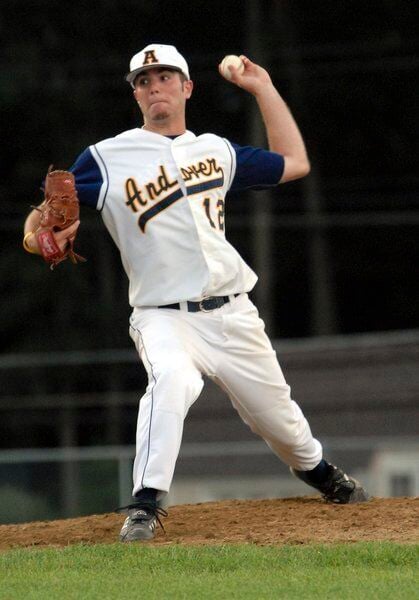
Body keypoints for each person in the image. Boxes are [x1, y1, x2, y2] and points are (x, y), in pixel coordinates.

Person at [23, 43, 369, 542]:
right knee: (171, 383)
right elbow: (45, 215)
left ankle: (320, 473)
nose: (154, 86)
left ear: (186, 88)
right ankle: (144, 506)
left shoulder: (217, 151)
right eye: (143, 81)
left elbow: (294, 162)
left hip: (233, 314)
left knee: (283, 423)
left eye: (164, 77)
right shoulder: (107, 156)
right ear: (137, 95)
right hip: (164, 316)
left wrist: (263, 87)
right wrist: (36, 237)